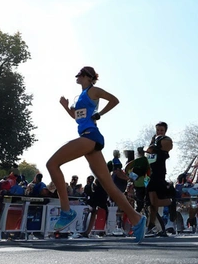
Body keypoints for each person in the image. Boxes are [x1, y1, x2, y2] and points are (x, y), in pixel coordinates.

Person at [46, 66, 146, 243]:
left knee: (52, 164)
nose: (76, 77)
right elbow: (77, 117)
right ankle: (137, 219)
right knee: (109, 187)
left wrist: (100, 114)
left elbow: (114, 100)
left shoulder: (94, 90)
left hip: (90, 136)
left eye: (79, 75)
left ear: (86, 76)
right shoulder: (81, 96)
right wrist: (65, 107)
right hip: (89, 138)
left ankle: (66, 211)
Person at [145, 121, 177, 236]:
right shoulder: (154, 141)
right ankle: (151, 225)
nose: (159, 132)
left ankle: (171, 202)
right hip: (150, 173)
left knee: (154, 202)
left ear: (165, 131)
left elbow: (168, 146)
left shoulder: (165, 140)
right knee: (152, 203)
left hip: (159, 173)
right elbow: (149, 156)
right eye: (158, 130)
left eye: (161, 130)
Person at [125, 147, 150, 213]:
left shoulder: (138, 160)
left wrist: (132, 177)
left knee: (139, 205)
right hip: (146, 184)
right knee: (148, 204)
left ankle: (136, 219)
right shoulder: (148, 160)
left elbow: (126, 168)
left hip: (138, 185)